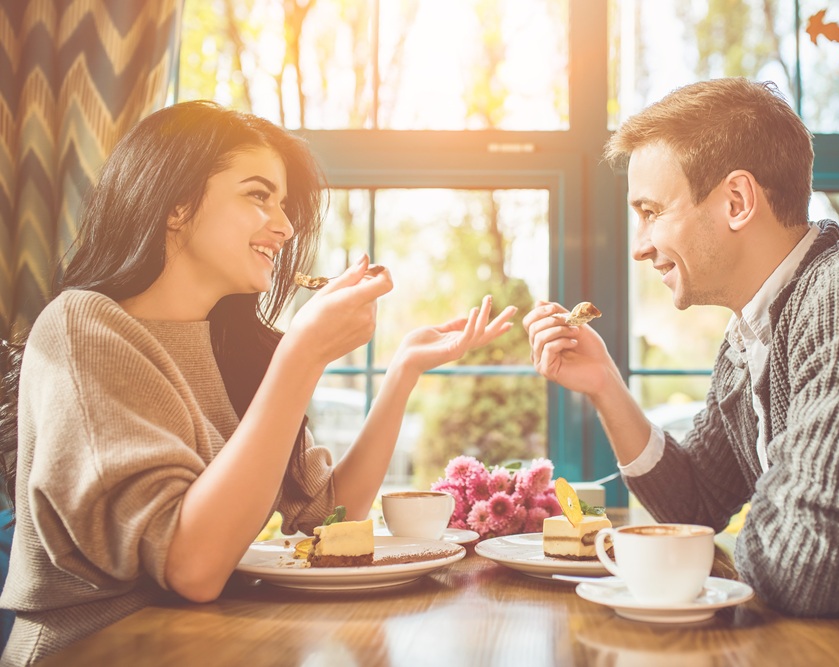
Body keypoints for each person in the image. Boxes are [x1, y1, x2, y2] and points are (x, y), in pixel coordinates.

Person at [0, 100, 516, 665]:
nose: (286, 224)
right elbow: (192, 567)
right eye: (257, 194)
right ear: (175, 206)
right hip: (100, 650)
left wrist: (402, 373)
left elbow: (326, 516)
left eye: (285, 203)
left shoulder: (231, 349)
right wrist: (301, 355)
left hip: (216, 643)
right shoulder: (83, 327)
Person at [524, 78, 839, 667]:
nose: (639, 247)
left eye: (651, 212)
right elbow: (693, 502)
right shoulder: (754, 330)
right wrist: (604, 384)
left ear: (737, 202)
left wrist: (713, 562)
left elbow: (810, 569)